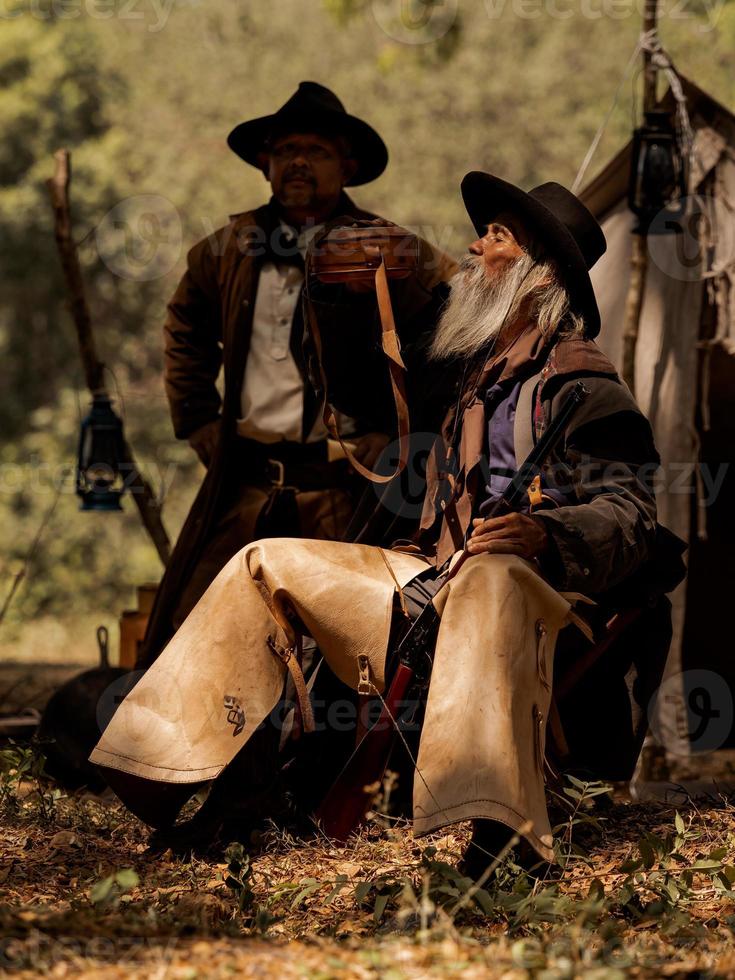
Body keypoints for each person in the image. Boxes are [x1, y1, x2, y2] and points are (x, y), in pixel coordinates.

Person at [92, 172, 681, 874]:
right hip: (432, 582)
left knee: (492, 576)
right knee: (263, 562)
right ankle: (220, 790)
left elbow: (629, 513)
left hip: (540, 599)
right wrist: (340, 299)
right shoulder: (470, 375)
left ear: (535, 273)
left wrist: (545, 535)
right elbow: (364, 385)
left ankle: (498, 835)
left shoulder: (586, 388)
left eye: (494, 236)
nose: (472, 244)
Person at [139, 81, 454, 667]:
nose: (299, 162)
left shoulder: (389, 247)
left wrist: (404, 437)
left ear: (348, 167)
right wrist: (196, 418)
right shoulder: (227, 249)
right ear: (266, 165)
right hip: (245, 484)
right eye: (285, 151)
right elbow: (183, 326)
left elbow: (457, 326)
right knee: (193, 631)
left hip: (345, 493)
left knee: (346, 647)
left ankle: (335, 758)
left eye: (316, 150)